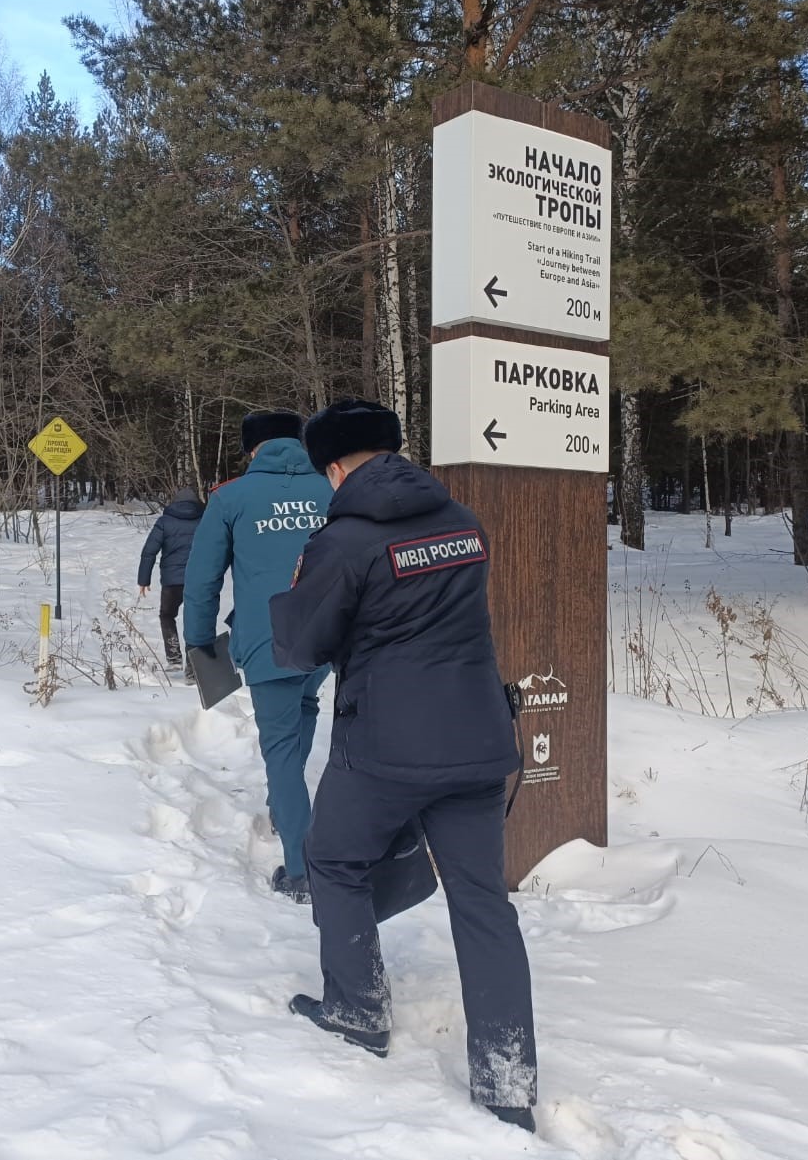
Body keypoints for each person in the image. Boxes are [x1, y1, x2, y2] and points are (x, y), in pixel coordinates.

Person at [268, 398, 537, 1134]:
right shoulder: (464, 522)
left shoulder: (343, 540)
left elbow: (302, 647)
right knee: (483, 903)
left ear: (333, 466)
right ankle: (508, 1079)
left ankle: (357, 1007)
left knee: (332, 856)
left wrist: (294, 590)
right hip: (477, 738)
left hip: (384, 747)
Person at [184, 410, 332, 903]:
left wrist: (200, 640)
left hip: (271, 642)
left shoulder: (230, 497)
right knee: (305, 706)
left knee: (282, 753)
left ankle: (302, 870)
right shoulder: (332, 488)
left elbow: (203, 578)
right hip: (329, 639)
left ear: (252, 450)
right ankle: (284, 806)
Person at [138, 486, 205, 671]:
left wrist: (144, 579)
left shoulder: (164, 521)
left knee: (167, 615)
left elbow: (149, 551)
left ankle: (174, 658)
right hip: (198, 579)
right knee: (196, 619)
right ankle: (193, 668)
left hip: (171, 581)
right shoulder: (205, 520)